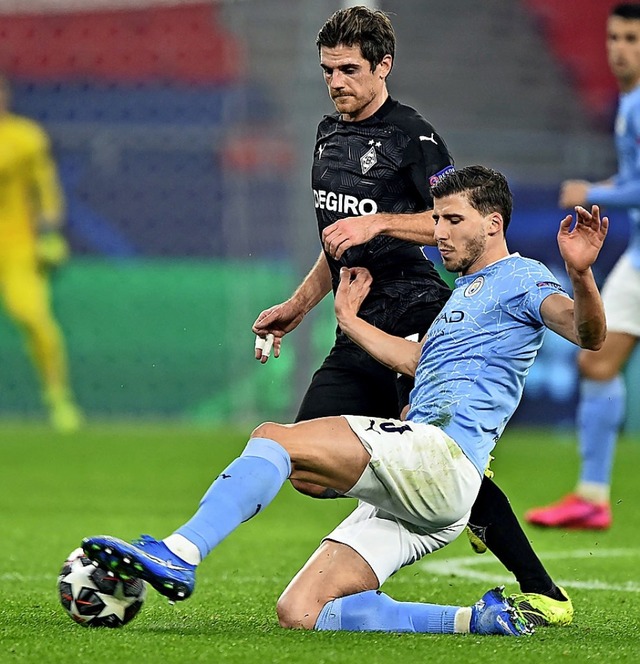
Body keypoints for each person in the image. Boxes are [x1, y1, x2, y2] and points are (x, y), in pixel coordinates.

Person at [82, 166, 607, 637]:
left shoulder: (522, 277)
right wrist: (349, 320)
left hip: (440, 456)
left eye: (451, 220)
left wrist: (581, 275)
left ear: (492, 224)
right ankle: (480, 622)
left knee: (273, 438)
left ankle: (180, 552)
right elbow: (414, 362)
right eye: (438, 220)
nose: (440, 233)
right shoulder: (462, 297)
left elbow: (586, 334)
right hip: (436, 497)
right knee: (302, 611)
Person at [252, 6, 572, 624]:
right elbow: (339, 241)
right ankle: (424, 510)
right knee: (306, 471)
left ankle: (538, 586)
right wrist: (298, 305)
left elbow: (454, 218)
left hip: (418, 306)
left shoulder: (416, 137)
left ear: (383, 67)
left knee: (437, 451)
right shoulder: (326, 134)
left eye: (349, 69)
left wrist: (382, 222)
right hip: (358, 314)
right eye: (327, 71)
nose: (336, 82)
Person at [526, 3, 640, 531]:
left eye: (632, 39)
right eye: (615, 38)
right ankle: (592, 497)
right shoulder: (629, 102)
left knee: (596, 361)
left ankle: (593, 496)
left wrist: (592, 192)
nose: (620, 49)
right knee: (595, 362)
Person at [0, 73, 82, 432]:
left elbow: (45, 189)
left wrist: (49, 234)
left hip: (16, 247)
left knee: (33, 317)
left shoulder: (24, 137)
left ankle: (58, 397)